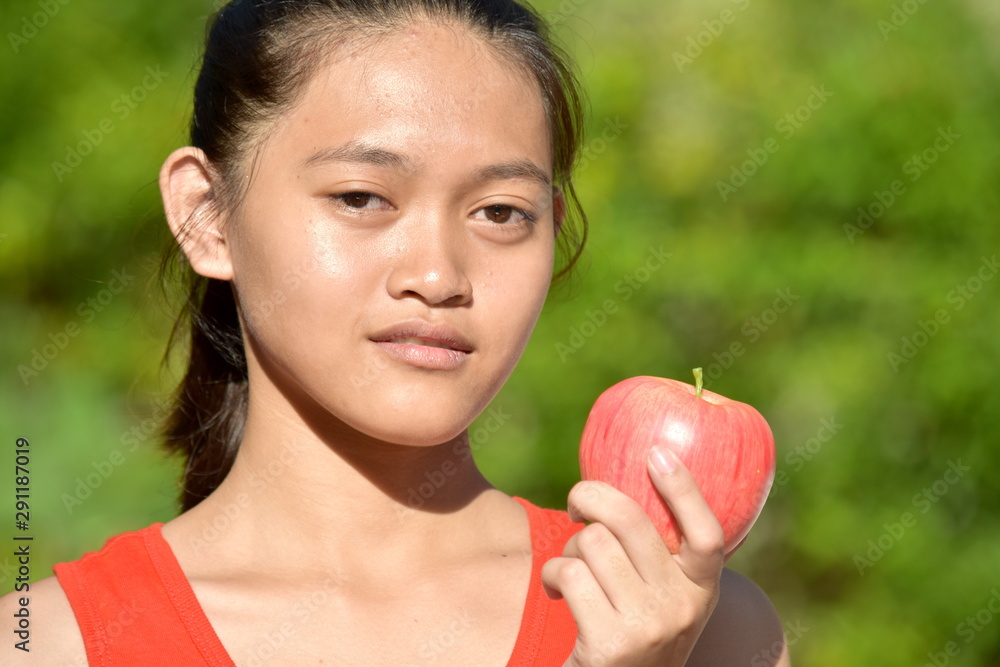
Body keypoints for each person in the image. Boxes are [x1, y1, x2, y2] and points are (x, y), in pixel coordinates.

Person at [2, 1, 790, 664]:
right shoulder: (44, 644)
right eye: (361, 197)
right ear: (207, 215)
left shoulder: (700, 629)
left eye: (500, 213)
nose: (439, 274)